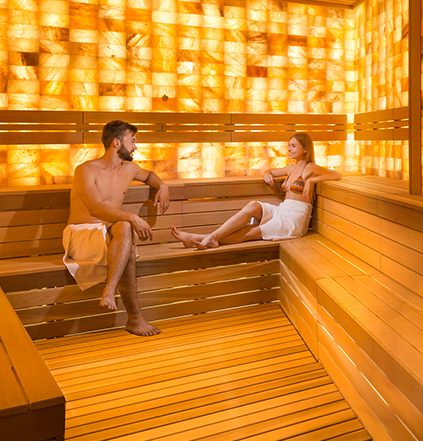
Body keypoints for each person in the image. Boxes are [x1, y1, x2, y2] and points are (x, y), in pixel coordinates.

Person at [64, 120, 170, 336]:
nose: (136, 147)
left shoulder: (130, 169)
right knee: (127, 241)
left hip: (110, 233)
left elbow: (149, 176)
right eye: (133, 141)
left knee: (124, 230)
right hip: (81, 233)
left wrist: (163, 185)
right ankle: (134, 318)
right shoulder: (85, 170)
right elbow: (95, 208)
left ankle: (110, 292)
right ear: (116, 143)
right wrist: (132, 217)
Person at [170, 132, 340, 249]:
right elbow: (269, 170)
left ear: (305, 149)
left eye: (293, 146)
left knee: (250, 232)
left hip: (294, 219)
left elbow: (336, 174)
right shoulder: (290, 168)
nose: (289, 149)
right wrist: (266, 174)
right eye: (289, 145)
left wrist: (311, 181)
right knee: (253, 205)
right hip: (283, 210)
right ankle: (207, 238)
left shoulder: (310, 168)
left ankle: (198, 238)